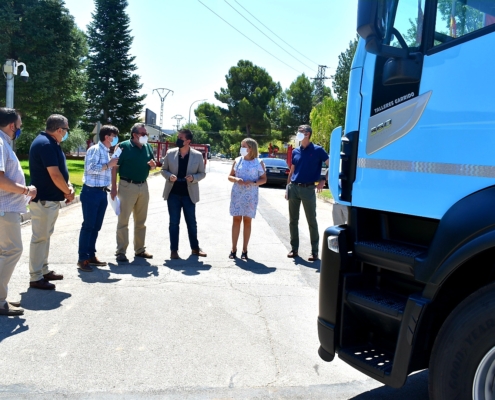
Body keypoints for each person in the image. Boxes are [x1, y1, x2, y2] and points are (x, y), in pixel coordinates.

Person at [29, 114, 74, 290]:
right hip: (44, 201)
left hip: (50, 200)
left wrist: (68, 188)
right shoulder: (45, 144)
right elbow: (54, 174)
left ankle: (43, 270)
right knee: (40, 238)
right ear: (59, 130)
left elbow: (61, 172)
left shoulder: (51, 143)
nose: (66, 133)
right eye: (66, 130)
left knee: (45, 237)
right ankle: (36, 276)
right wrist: (66, 191)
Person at [0, 108, 37, 315]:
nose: (19, 130)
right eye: (19, 126)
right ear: (12, 125)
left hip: (5, 209)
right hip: (4, 209)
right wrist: (26, 190)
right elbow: (0, 179)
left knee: (3, 253)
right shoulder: (0, 143)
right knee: (12, 251)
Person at [111, 123, 156, 262]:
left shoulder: (147, 146)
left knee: (141, 220)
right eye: (143, 134)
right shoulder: (123, 146)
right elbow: (114, 167)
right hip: (127, 186)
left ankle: (140, 249)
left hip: (143, 186)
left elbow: (152, 164)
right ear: (135, 135)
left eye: (146, 134)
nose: (145, 136)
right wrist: (113, 187)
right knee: (123, 220)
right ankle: (121, 251)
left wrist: (153, 165)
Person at [77, 125, 120, 272]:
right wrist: (108, 165)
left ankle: (91, 255)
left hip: (101, 193)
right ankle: (82, 259)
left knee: (96, 226)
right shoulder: (95, 149)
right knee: (88, 226)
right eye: (114, 136)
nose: (115, 139)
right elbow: (90, 168)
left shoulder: (107, 151)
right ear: (107, 137)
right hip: (91, 192)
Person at [161, 129, 206, 259]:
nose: (178, 139)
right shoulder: (170, 153)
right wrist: (170, 176)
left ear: (188, 141)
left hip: (189, 194)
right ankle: (174, 250)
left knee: (191, 222)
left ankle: (195, 248)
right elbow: (163, 170)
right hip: (173, 194)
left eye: (181, 137)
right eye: (178, 137)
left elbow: (202, 173)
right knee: (174, 223)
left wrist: (194, 177)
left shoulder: (197, 155)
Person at [287, 124, 329, 261]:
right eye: (298, 131)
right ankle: (294, 249)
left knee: (311, 221)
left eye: (302, 131)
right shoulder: (295, 151)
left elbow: (331, 165)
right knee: (293, 220)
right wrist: (288, 188)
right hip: (294, 187)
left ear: (308, 134)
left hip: (308, 189)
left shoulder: (318, 150)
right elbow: (292, 170)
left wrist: (323, 180)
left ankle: (314, 251)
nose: (299, 133)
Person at [228, 138, 266, 260]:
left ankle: (245, 250)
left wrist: (254, 182)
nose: (242, 148)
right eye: (241, 146)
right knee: (236, 220)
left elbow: (264, 179)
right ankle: (233, 249)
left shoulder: (258, 162)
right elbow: (230, 176)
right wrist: (236, 179)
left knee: (247, 221)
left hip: (251, 195)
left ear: (251, 148)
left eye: (244, 146)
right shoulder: (237, 160)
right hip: (237, 194)